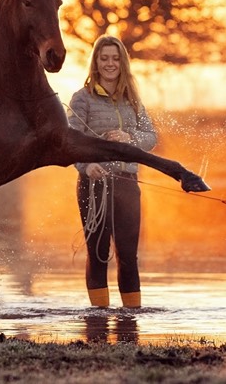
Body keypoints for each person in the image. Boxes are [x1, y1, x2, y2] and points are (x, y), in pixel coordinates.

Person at [67, 35, 156, 309]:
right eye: (104, 58)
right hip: (93, 187)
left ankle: (131, 317)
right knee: (98, 253)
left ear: (123, 62)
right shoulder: (82, 99)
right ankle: (99, 319)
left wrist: (129, 137)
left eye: (115, 58)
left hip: (128, 185)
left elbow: (151, 137)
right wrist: (86, 166)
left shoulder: (132, 100)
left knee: (129, 255)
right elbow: (70, 141)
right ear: (95, 62)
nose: (110, 64)